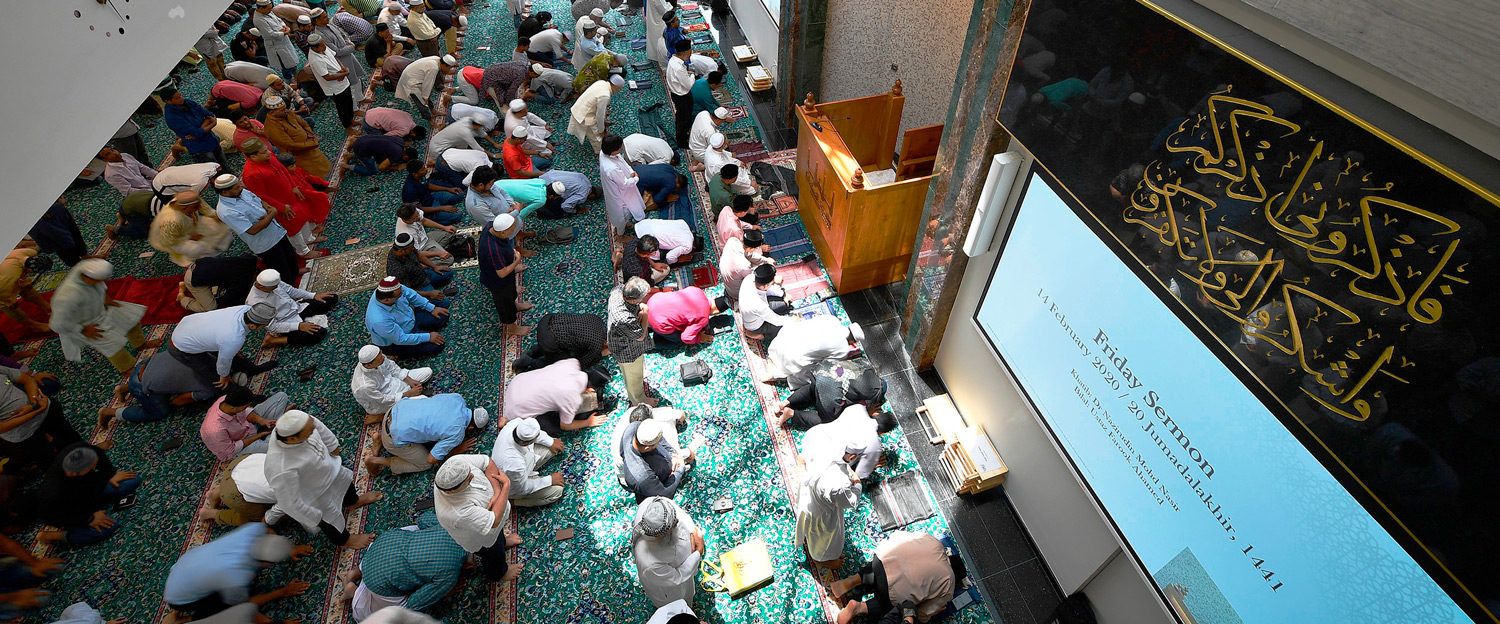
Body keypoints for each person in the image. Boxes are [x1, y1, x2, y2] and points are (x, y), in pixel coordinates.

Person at [265, 410, 381, 549]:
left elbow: (316, 424)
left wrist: (332, 445)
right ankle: (345, 540)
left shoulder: (298, 421)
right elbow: (290, 503)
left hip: (329, 469)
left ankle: (353, 502)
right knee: (330, 520)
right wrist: (315, 517)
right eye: (309, 430)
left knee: (345, 484)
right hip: (315, 494)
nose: (313, 430)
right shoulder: (280, 467)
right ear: (292, 439)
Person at [162, 523, 309, 619]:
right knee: (229, 610)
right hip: (180, 599)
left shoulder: (252, 531)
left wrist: (289, 549)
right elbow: (247, 605)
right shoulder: (236, 576)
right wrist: (283, 591)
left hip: (181, 569)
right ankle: (182, 620)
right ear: (263, 563)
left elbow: (266, 529)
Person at [341, 510, 466, 621]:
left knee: (414, 530)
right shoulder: (450, 574)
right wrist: (442, 591)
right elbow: (413, 604)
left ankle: (356, 571)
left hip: (385, 543)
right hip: (378, 577)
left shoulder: (453, 527)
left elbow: (423, 518)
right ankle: (354, 592)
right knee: (400, 614)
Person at [48, 260, 156, 374]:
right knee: (113, 346)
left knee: (130, 318)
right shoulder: (66, 296)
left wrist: (106, 298)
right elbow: (57, 324)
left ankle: (140, 344)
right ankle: (128, 369)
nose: (101, 282)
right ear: (87, 278)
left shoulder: (84, 270)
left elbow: (99, 284)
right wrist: (82, 329)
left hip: (100, 309)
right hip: (85, 325)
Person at [830, 532, 959, 624]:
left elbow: (901, 536)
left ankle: (851, 580)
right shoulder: (949, 583)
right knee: (903, 605)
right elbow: (922, 613)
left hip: (881, 558)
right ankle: (859, 607)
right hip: (890, 591)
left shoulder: (934, 541)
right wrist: (933, 612)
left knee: (884, 566)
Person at [432, 455, 521, 582]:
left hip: (492, 523)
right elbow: (494, 521)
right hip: (480, 538)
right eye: (468, 479)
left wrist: (497, 492)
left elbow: (488, 462)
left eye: (469, 473)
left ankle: (503, 541)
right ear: (452, 491)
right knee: (492, 554)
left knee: (498, 538)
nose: (472, 475)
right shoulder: (456, 511)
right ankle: (499, 573)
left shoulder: (454, 464)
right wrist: (505, 487)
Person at [35, 445, 140, 547]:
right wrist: (89, 518)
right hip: (74, 511)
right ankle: (53, 536)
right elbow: (52, 518)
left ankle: (99, 505)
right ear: (73, 474)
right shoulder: (52, 494)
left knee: (132, 481)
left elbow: (97, 452)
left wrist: (111, 474)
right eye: (90, 467)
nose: (94, 467)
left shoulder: (77, 450)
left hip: (91, 490)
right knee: (108, 528)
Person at [366, 393, 488, 475]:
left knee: (425, 399)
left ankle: (379, 437)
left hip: (394, 410)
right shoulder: (457, 433)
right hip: (392, 437)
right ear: (471, 428)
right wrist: (456, 450)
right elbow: (431, 459)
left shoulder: (457, 398)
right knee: (424, 464)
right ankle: (376, 460)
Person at [167, 302, 280, 390]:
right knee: (217, 378)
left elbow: (229, 345)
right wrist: (224, 375)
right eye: (265, 325)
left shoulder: (244, 309)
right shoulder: (233, 338)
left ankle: (252, 369)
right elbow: (223, 361)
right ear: (253, 326)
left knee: (233, 353)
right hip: (182, 347)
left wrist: (232, 350)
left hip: (193, 327)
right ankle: (237, 396)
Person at [96, 350, 219, 427]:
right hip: (140, 384)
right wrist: (200, 401)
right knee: (159, 412)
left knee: (167, 378)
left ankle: (124, 388)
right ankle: (109, 412)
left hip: (147, 362)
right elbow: (176, 402)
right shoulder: (208, 390)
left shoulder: (211, 353)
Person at [213, 174, 300, 281]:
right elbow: (253, 230)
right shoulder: (226, 211)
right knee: (282, 270)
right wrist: (272, 214)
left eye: (240, 185)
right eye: (237, 187)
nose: (241, 188)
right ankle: (290, 291)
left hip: (276, 231)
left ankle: (296, 273)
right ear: (224, 192)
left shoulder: (240, 192)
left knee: (290, 255)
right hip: (266, 243)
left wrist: (267, 207)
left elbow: (258, 199)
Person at [0, 363, 80, 474]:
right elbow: (2, 427)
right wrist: (36, 411)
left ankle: (86, 453)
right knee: (51, 464)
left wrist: (33, 405)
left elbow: (27, 380)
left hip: (40, 410)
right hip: (22, 433)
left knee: (68, 434)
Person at [504, 358, 608, 437]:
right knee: (553, 430)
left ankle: (528, 360)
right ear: (591, 390)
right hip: (516, 410)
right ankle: (509, 421)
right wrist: (587, 422)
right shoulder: (573, 398)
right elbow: (565, 425)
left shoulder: (572, 363)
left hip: (517, 382)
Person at [631, 496, 702, 608]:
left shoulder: (655, 504)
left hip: (683, 566)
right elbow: (678, 577)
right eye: (674, 524)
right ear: (659, 535)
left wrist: (693, 530)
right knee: (680, 604)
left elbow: (679, 513)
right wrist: (698, 552)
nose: (677, 521)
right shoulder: (650, 563)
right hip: (670, 588)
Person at [803, 404, 895, 487]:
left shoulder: (858, 408)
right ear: (882, 433)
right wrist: (872, 464)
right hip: (822, 462)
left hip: (813, 436)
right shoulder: (874, 445)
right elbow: (858, 475)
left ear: (876, 414)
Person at [795, 452, 859, 569]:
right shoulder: (837, 484)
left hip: (809, 496)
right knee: (825, 539)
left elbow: (804, 457)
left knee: (809, 525)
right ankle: (821, 560)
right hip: (823, 513)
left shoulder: (824, 448)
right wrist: (858, 483)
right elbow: (850, 501)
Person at [777, 360, 885, 428]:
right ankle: (791, 413)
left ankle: (786, 402)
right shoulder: (875, 394)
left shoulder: (866, 364)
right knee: (829, 419)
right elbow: (859, 409)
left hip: (822, 371)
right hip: (830, 391)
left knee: (811, 390)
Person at [246, 269, 339, 348]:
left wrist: (314, 296)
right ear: (261, 286)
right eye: (275, 286)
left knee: (332, 297)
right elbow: (273, 326)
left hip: (297, 308)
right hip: (286, 322)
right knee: (319, 333)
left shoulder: (271, 281)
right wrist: (299, 326)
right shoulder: (255, 303)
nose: (277, 287)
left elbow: (291, 291)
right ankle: (273, 340)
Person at [365, 276, 450, 360]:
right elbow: (400, 339)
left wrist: (431, 308)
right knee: (438, 345)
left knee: (443, 315)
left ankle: (421, 332)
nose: (402, 294)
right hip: (396, 341)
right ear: (387, 300)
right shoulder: (379, 320)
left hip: (410, 319)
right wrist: (428, 337)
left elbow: (412, 295)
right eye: (399, 295)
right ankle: (392, 354)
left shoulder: (394, 289)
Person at [766, 317, 864, 388]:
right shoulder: (843, 349)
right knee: (813, 378)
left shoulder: (832, 320)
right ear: (852, 342)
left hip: (785, 339)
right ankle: (777, 374)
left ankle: (773, 360)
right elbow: (825, 365)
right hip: (792, 359)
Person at [477, 214, 533, 337]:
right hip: (498, 281)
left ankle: (515, 306)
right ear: (502, 233)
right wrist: (517, 261)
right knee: (504, 303)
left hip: (507, 276)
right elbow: (501, 273)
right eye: (512, 229)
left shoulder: (491, 226)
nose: (514, 230)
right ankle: (512, 328)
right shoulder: (493, 249)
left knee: (511, 291)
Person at [489, 417, 566, 507]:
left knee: (552, 448)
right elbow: (523, 488)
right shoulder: (514, 464)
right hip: (514, 486)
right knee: (557, 491)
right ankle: (513, 502)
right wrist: (550, 480)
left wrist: (551, 442)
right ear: (525, 443)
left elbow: (537, 435)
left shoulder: (516, 423)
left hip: (524, 463)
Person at [200, 386, 288, 462]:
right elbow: (231, 449)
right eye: (245, 406)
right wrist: (259, 435)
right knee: (279, 445)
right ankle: (269, 432)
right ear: (233, 408)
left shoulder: (226, 400)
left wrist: (261, 420)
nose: (247, 407)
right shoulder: (215, 430)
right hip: (237, 446)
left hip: (248, 426)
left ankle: (269, 431)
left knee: (281, 396)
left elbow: (245, 412)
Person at [150, 191, 234, 268]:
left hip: (191, 225)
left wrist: (213, 214)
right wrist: (189, 237)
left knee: (220, 227)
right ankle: (189, 263)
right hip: (175, 240)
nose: (198, 208)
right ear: (184, 208)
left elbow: (201, 205)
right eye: (195, 207)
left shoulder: (186, 200)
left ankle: (212, 252)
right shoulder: (172, 220)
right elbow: (167, 241)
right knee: (197, 249)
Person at [351, 345, 433, 423]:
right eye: (380, 358)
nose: (383, 357)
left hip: (394, 381)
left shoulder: (378, 356)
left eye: (381, 353)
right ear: (369, 365)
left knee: (427, 372)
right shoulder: (364, 386)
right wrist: (408, 394)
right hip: (384, 400)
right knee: (423, 401)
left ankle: (408, 395)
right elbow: (382, 400)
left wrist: (409, 380)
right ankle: (382, 416)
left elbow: (393, 368)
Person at [608, 278, 657, 406]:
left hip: (620, 338)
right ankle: (639, 400)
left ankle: (639, 374)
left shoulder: (617, 291)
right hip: (626, 349)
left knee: (634, 371)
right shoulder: (625, 318)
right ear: (634, 300)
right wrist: (645, 313)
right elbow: (640, 335)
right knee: (633, 378)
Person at [620, 418, 693, 502]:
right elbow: (665, 494)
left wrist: (673, 454)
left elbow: (662, 441)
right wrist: (680, 468)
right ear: (647, 448)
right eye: (657, 443)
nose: (659, 443)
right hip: (653, 490)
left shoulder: (634, 427)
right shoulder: (642, 476)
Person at [264, 98, 334, 179]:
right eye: (282, 110)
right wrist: (313, 143)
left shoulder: (286, 114)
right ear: (272, 112)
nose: (286, 111)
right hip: (299, 155)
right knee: (314, 177)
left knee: (324, 166)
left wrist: (311, 137)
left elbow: (304, 123)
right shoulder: (272, 128)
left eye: (285, 108)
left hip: (309, 146)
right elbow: (292, 145)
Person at [516, 313, 608, 372]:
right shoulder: (597, 344)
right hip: (548, 342)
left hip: (547, 320)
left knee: (560, 338)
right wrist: (600, 354)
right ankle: (529, 361)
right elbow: (581, 364)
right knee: (560, 368)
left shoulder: (597, 319)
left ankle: (531, 352)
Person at [163, 88, 228, 166]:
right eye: (177, 98)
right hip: (200, 148)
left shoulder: (187, 102)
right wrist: (212, 124)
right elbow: (196, 132)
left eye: (180, 95)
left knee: (224, 165)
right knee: (212, 170)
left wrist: (201, 130)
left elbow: (209, 115)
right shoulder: (172, 117)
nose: (181, 98)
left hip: (211, 139)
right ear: (168, 101)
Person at [177, 256, 261, 313]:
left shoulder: (250, 261)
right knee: (210, 307)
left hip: (198, 265)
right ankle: (182, 298)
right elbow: (226, 300)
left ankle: (185, 284)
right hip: (193, 280)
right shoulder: (241, 281)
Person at [306, 34, 356, 128]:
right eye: (322, 45)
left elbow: (335, 58)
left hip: (342, 80)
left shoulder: (323, 48)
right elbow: (327, 77)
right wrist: (344, 74)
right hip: (335, 88)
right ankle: (348, 127)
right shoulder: (315, 60)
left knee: (349, 102)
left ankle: (351, 120)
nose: (325, 46)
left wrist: (343, 68)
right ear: (314, 48)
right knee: (343, 108)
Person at [647, 286, 725, 347]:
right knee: (678, 341)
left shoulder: (697, 290)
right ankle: (648, 345)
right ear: (716, 312)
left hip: (653, 301)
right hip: (658, 321)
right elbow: (686, 338)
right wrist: (700, 338)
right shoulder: (704, 318)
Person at [600, 134, 646, 235]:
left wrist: (631, 171)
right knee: (622, 212)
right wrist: (636, 178)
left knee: (628, 209)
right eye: (619, 148)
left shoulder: (605, 153)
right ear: (613, 150)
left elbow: (622, 160)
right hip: (619, 192)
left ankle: (624, 225)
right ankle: (620, 234)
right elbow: (624, 184)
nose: (621, 150)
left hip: (623, 185)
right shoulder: (611, 168)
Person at [313, 8, 366, 94]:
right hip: (341, 60)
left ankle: (361, 98)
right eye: (324, 17)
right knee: (351, 82)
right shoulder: (320, 35)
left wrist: (348, 42)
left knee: (356, 77)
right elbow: (337, 52)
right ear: (317, 20)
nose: (327, 18)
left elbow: (343, 34)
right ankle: (355, 105)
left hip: (347, 53)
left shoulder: (329, 25)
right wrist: (352, 47)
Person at [387, 233, 453, 300]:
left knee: (449, 272)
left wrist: (435, 267)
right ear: (401, 251)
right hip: (417, 287)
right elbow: (408, 291)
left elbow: (418, 254)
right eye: (411, 248)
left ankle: (431, 287)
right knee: (445, 302)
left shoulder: (406, 249)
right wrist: (429, 294)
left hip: (422, 274)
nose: (413, 249)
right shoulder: (396, 270)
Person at [0, 247, 50, 332]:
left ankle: (48, 309)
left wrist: (26, 283)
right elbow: (2, 292)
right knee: (10, 306)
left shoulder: (31, 252)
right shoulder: (11, 274)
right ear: (30, 270)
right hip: (2, 287)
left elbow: (22, 270)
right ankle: (34, 326)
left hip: (6, 268)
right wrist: (10, 301)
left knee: (28, 288)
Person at [568, 76, 623, 153]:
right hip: (585, 115)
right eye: (619, 88)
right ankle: (600, 153)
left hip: (579, 107)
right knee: (596, 136)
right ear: (616, 86)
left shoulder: (602, 82)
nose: (619, 90)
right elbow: (599, 116)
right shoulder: (605, 96)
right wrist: (601, 130)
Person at [395, 203, 456, 272]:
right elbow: (415, 253)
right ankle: (422, 264)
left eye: (418, 214)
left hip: (426, 238)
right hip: (421, 248)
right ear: (406, 220)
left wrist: (444, 227)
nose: (418, 217)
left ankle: (434, 251)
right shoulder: (406, 234)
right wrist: (438, 253)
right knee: (449, 259)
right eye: (415, 218)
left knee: (450, 232)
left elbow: (424, 220)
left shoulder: (413, 211)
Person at [720, 228, 770, 306]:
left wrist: (766, 260)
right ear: (751, 248)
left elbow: (748, 254)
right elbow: (755, 280)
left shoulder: (733, 241)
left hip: (728, 284)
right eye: (757, 248)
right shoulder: (744, 266)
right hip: (737, 293)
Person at [252, 0, 300, 80]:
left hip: (284, 41)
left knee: (292, 61)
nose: (271, 10)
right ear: (260, 8)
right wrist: (284, 32)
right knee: (285, 66)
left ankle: (297, 78)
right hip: (276, 46)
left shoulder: (267, 12)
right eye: (269, 8)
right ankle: (289, 82)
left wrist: (285, 27)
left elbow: (279, 20)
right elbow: (270, 34)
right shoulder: (258, 20)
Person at [665, 40, 695, 147]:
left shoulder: (673, 61)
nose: (690, 56)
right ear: (683, 53)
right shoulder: (679, 68)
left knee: (681, 117)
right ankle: (682, 141)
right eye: (689, 53)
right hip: (683, 97)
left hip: (676, 94)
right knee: (684, 119)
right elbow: (688, 85)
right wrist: (692, 76)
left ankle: (681, 135)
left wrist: (686, 74)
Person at [634, 219, 701, 265]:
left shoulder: (684, 224)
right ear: (694, 247)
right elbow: (669, 257)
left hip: (643, 224)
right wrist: (678, 260)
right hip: (648, 238)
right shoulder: (688, 246)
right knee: (660, 259)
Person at [430, 117, 498, 160]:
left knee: (466, 141)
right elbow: (477, 148)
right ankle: (434, 162)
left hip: (436, 141)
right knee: (460, 161)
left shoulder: (468, 119)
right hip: (437, 149)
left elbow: (481, 132)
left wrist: (494, 144)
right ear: (477, 125)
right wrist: (493, 156)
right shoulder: (465, 132)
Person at [349, 133, 416, 174]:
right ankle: (346, 167)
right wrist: (397, 167)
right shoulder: (398, 154)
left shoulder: (400, 141)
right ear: (405, 157)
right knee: (372, 171)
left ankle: (351, 150)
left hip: (363, 138)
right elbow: (381, 167)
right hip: (360, 148)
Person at [644, 0, 670, 68]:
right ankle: (660, 57)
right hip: (658, 19)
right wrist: (671, 6)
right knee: (659, 39)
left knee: (654, 38)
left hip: (653, 16)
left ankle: (655, 55)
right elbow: (663, 10)